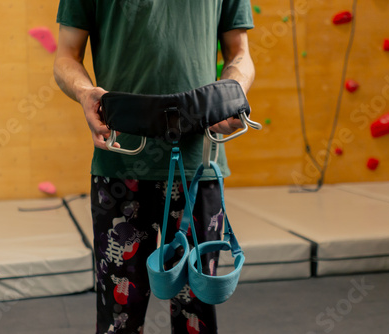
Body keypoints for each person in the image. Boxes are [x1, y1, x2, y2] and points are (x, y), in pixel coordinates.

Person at [54, 1, 255, 333]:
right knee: (118, 318)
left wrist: (232, 93)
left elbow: (240, 53)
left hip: (198, 165)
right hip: (121, 163)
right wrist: (85, 91)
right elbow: (66, 56)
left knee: (197, 311)